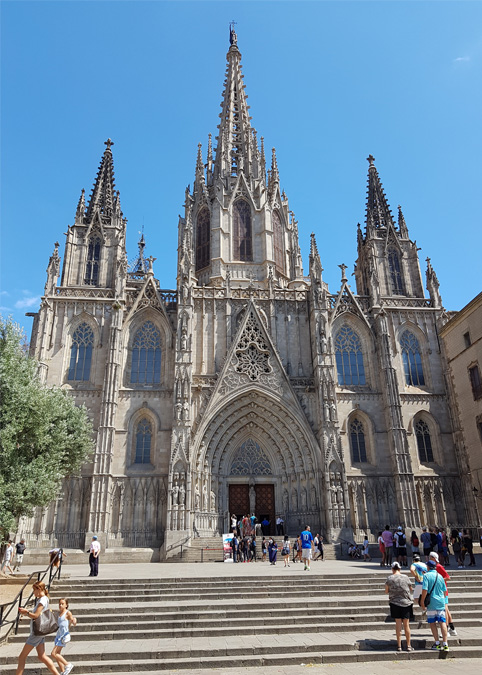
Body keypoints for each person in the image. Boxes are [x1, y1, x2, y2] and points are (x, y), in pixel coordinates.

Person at [17, 581, 61, 675]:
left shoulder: (42, 600)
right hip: (40, 632)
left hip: (36, 633)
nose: (33, 592)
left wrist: (26, 612)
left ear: (39, 589)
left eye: (34, 590)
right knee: (42, 656)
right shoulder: (44, 599)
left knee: (22, 657)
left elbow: (36, 615)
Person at [385, 561, 414, 652]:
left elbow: (386, 591)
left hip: (394, 603)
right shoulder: (405, 577)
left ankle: (399, 646)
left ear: (392, 569)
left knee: (398, 624)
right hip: (406, 603)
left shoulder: (389, 578)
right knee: (406, 625)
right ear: (400, 569)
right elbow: (410, 589)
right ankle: (408, 645)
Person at [421, 558, 449, 651]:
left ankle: (437, 643)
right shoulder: (440, 576)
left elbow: (425, 589)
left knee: (432, 623)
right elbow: (444, 591)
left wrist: (422, 601)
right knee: (442, 622)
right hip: (441, 602)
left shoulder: (426, 576)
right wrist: (444, 601)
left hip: (431, 603)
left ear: (428, 567)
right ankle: (445, 643)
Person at [429, 551, 457, 636]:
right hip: (441, 591)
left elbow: (448, 577)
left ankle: (447, 629)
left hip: (442, 592)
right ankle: (452, 628)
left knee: (445, 610)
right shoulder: (435, 567)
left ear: (433, 558)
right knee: (446, 610)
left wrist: (439, 580)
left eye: (430, 557)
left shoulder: (438, 566)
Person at [51, 598, 77, 675]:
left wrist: (74, 620)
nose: (60, 605)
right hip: (58, 636)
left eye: (62, 604)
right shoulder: (59, 614)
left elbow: (73, 620)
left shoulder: (67, 613)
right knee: (57, 654)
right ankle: (63, 671)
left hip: (63, 636)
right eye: (59, 604)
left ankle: (68, 664)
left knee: (53, 653)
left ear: (66, 605)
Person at [410, 553, 427, 627]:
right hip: (426, 583)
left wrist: (416, 576)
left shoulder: (414, 564)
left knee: (416, 597)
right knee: (425, 596)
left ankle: (424, 608)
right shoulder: (424, 564)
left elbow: (411, 570)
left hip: (419, 583)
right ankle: (425, 608)